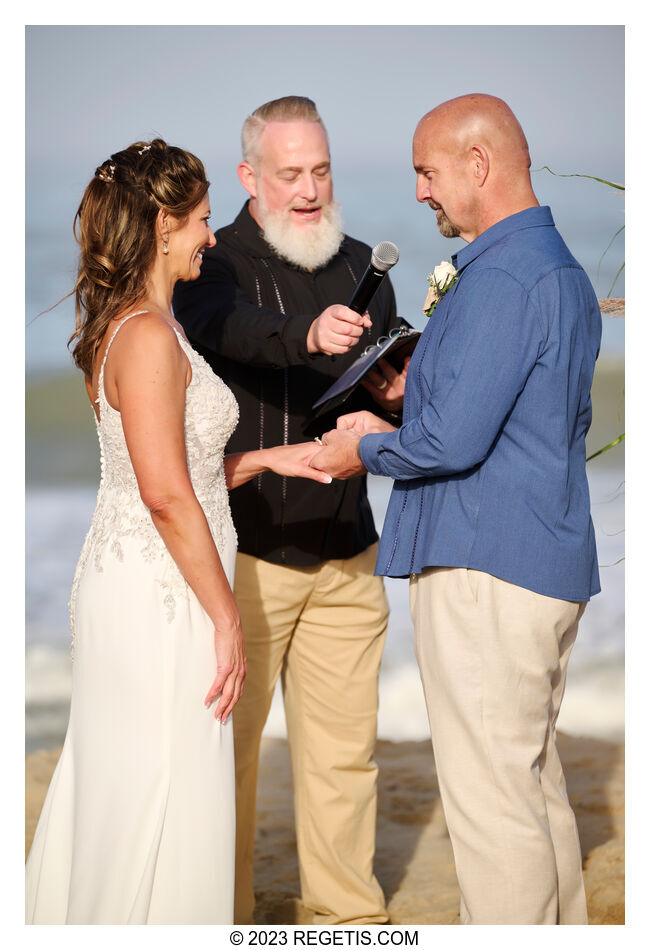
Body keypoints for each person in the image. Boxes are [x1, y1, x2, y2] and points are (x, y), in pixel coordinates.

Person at [311, 94, 601, 925]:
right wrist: (415, 390)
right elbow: (517, 416)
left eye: (427, 172)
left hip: (486, 564)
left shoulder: (502, 276)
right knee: (531, 787)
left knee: (491, 808)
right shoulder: (556, 269)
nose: (419, 193)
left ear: (479, 164)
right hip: (537, 555)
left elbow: (452, 447)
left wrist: (358, 446)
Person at [25, 138, 331, 925]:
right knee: (160, 782)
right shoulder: (151, 337)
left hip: (147, 577)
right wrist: (229, 617)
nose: (212, 235)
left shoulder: (137, 326)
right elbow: (163, 495)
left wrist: (268, 458)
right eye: (200, 220)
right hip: (162, 594)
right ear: (162, 225)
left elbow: (173, 473)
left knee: (142, 778)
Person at [172, 96, 406, 925]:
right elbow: (222, 330)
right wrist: (306, 337)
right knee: (225, 760)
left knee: (347, 760)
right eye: (290, 174)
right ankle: (221, 918)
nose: (309, 190)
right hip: (248, 556)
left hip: (350, 553)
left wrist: (399, 399)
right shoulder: (215, 261)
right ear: (249, 177)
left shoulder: (359, 265)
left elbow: (391, 410)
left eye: (321, 170)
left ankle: (347, 921)